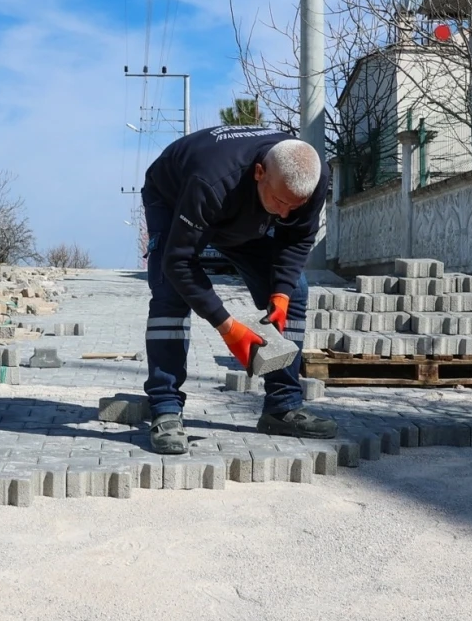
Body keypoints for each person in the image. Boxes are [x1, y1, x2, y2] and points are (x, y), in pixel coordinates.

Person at [140, 124, 338, 455]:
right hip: (174, 197)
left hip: (242, 213)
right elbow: (179, 262)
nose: (286, 213)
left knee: (297, 289)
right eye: (280, 201)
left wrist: (282, 292)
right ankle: (165, 409)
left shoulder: (311, 179)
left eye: (295, 205)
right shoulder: (212, 180)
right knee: (169, 292)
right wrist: (227, 327)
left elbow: (299, 236)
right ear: (260, 173)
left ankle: (282, 407)